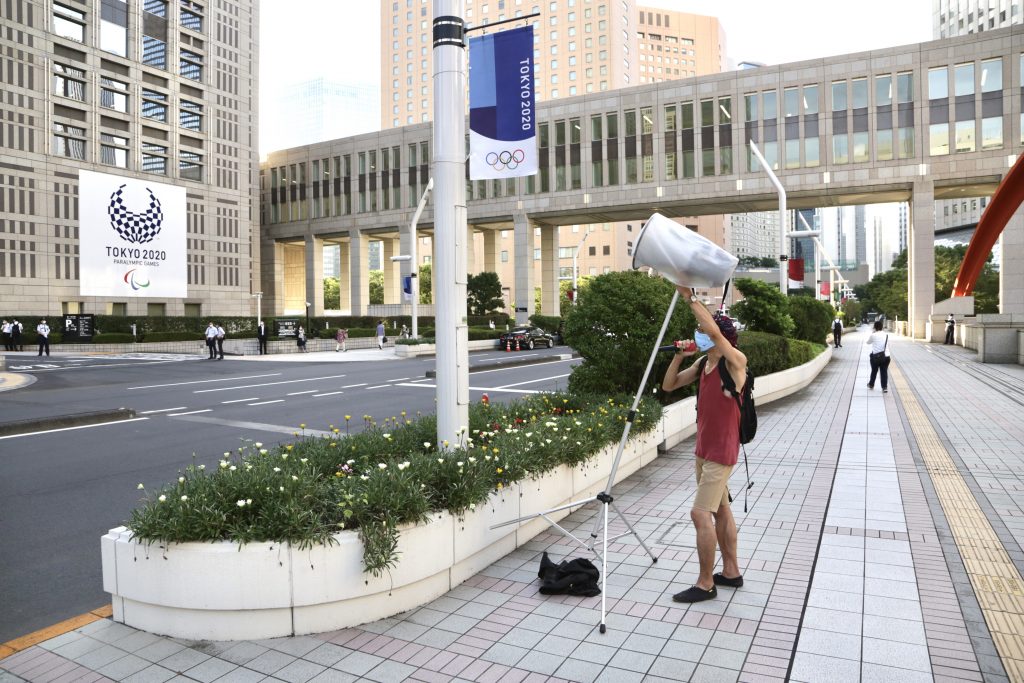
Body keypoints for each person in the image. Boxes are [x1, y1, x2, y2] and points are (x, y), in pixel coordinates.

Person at [662, 286, 747, 603]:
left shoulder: (735, 362)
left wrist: (690, 297)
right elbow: (669, 385)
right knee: (721, 510)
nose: (698, 335)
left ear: (717, 337)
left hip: (721, 454)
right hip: (703, 451)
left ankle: (705, 583)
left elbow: (713, 328)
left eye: (702, 332)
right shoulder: (702, 366)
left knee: (700, 514)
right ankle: (731, 571)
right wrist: (679, 357)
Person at [866, 319, 891, 393]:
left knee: (874, 370)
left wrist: (873, 333)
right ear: (882, 327)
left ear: (875, 327)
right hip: (886, 356)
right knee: (884, 371)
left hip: (876, 357)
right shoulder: (886, 335)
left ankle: (871, 384)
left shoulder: (873, 335)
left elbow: (868, 342)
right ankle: (884, 387)